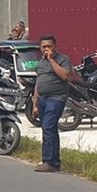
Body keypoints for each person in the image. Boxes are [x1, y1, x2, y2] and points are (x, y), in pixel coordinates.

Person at [32, 34, 75, 172]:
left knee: (49, 127)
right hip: (43, 99)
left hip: (56, 98)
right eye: (44, 46)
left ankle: (49, 161)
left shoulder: (62, 59)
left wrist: (51, 60)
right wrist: (35, 103)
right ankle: (54, 162)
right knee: (48, 129)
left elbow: (65, 75)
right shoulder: (40, 63)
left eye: (49, 46)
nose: (46, 49)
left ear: (55, 47)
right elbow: (38, 83)